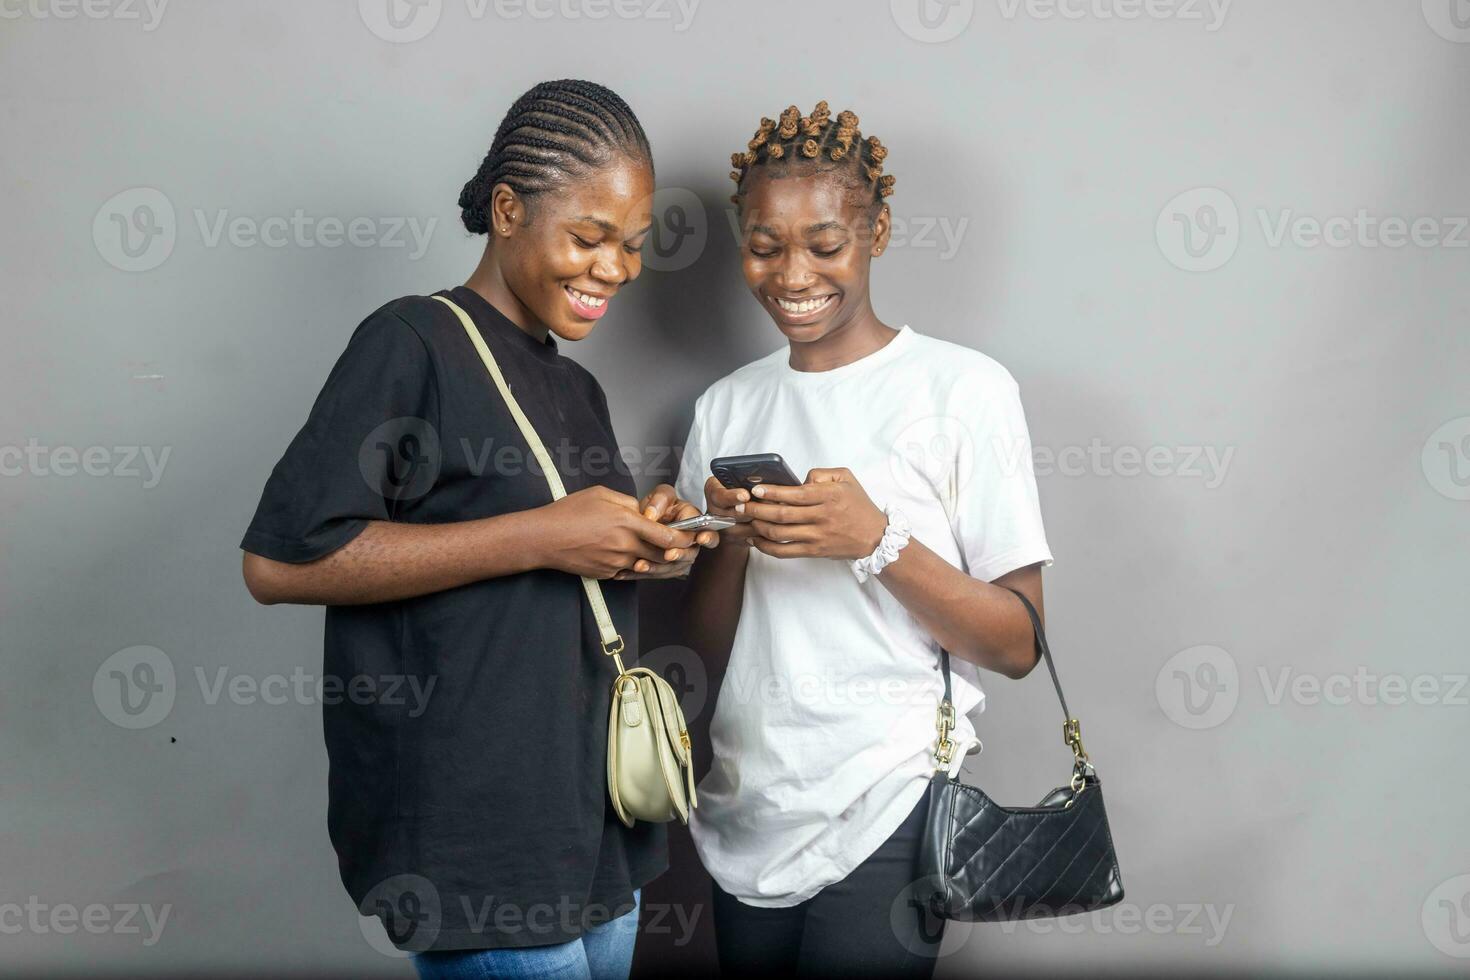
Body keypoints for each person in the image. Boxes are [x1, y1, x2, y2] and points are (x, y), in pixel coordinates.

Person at [238, 79, 713, 979]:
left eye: (633, 246)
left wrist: (644, 539)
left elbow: (567, 558)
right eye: (589, 236)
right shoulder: (414, 342)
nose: (615, 268)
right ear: (507, 208)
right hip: (481, 849)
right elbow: (280, 559)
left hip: (600, 831)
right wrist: (541, 535)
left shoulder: (575, 387)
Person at [676, 101, 1054, 977]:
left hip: (889, 798)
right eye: (765, 247)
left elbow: (1018, 643)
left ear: (877, 231)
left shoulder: (963, 389)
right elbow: (701, 646)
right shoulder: (725, 405)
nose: (792, 273)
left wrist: (876, 540)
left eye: (825, 244)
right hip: (747, 801)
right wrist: (728, 538)